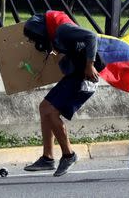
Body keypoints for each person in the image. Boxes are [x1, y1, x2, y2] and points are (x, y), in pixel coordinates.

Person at [22, 10, 105, 177]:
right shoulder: (55, 34)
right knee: (44, 108)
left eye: (34, 36)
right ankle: (47, 158)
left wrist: (90, 65)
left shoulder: (62, 29)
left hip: (83, 76)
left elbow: (91, 36)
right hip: (75, 75)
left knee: (51, 111)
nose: (34, 41)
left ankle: (68, 155)